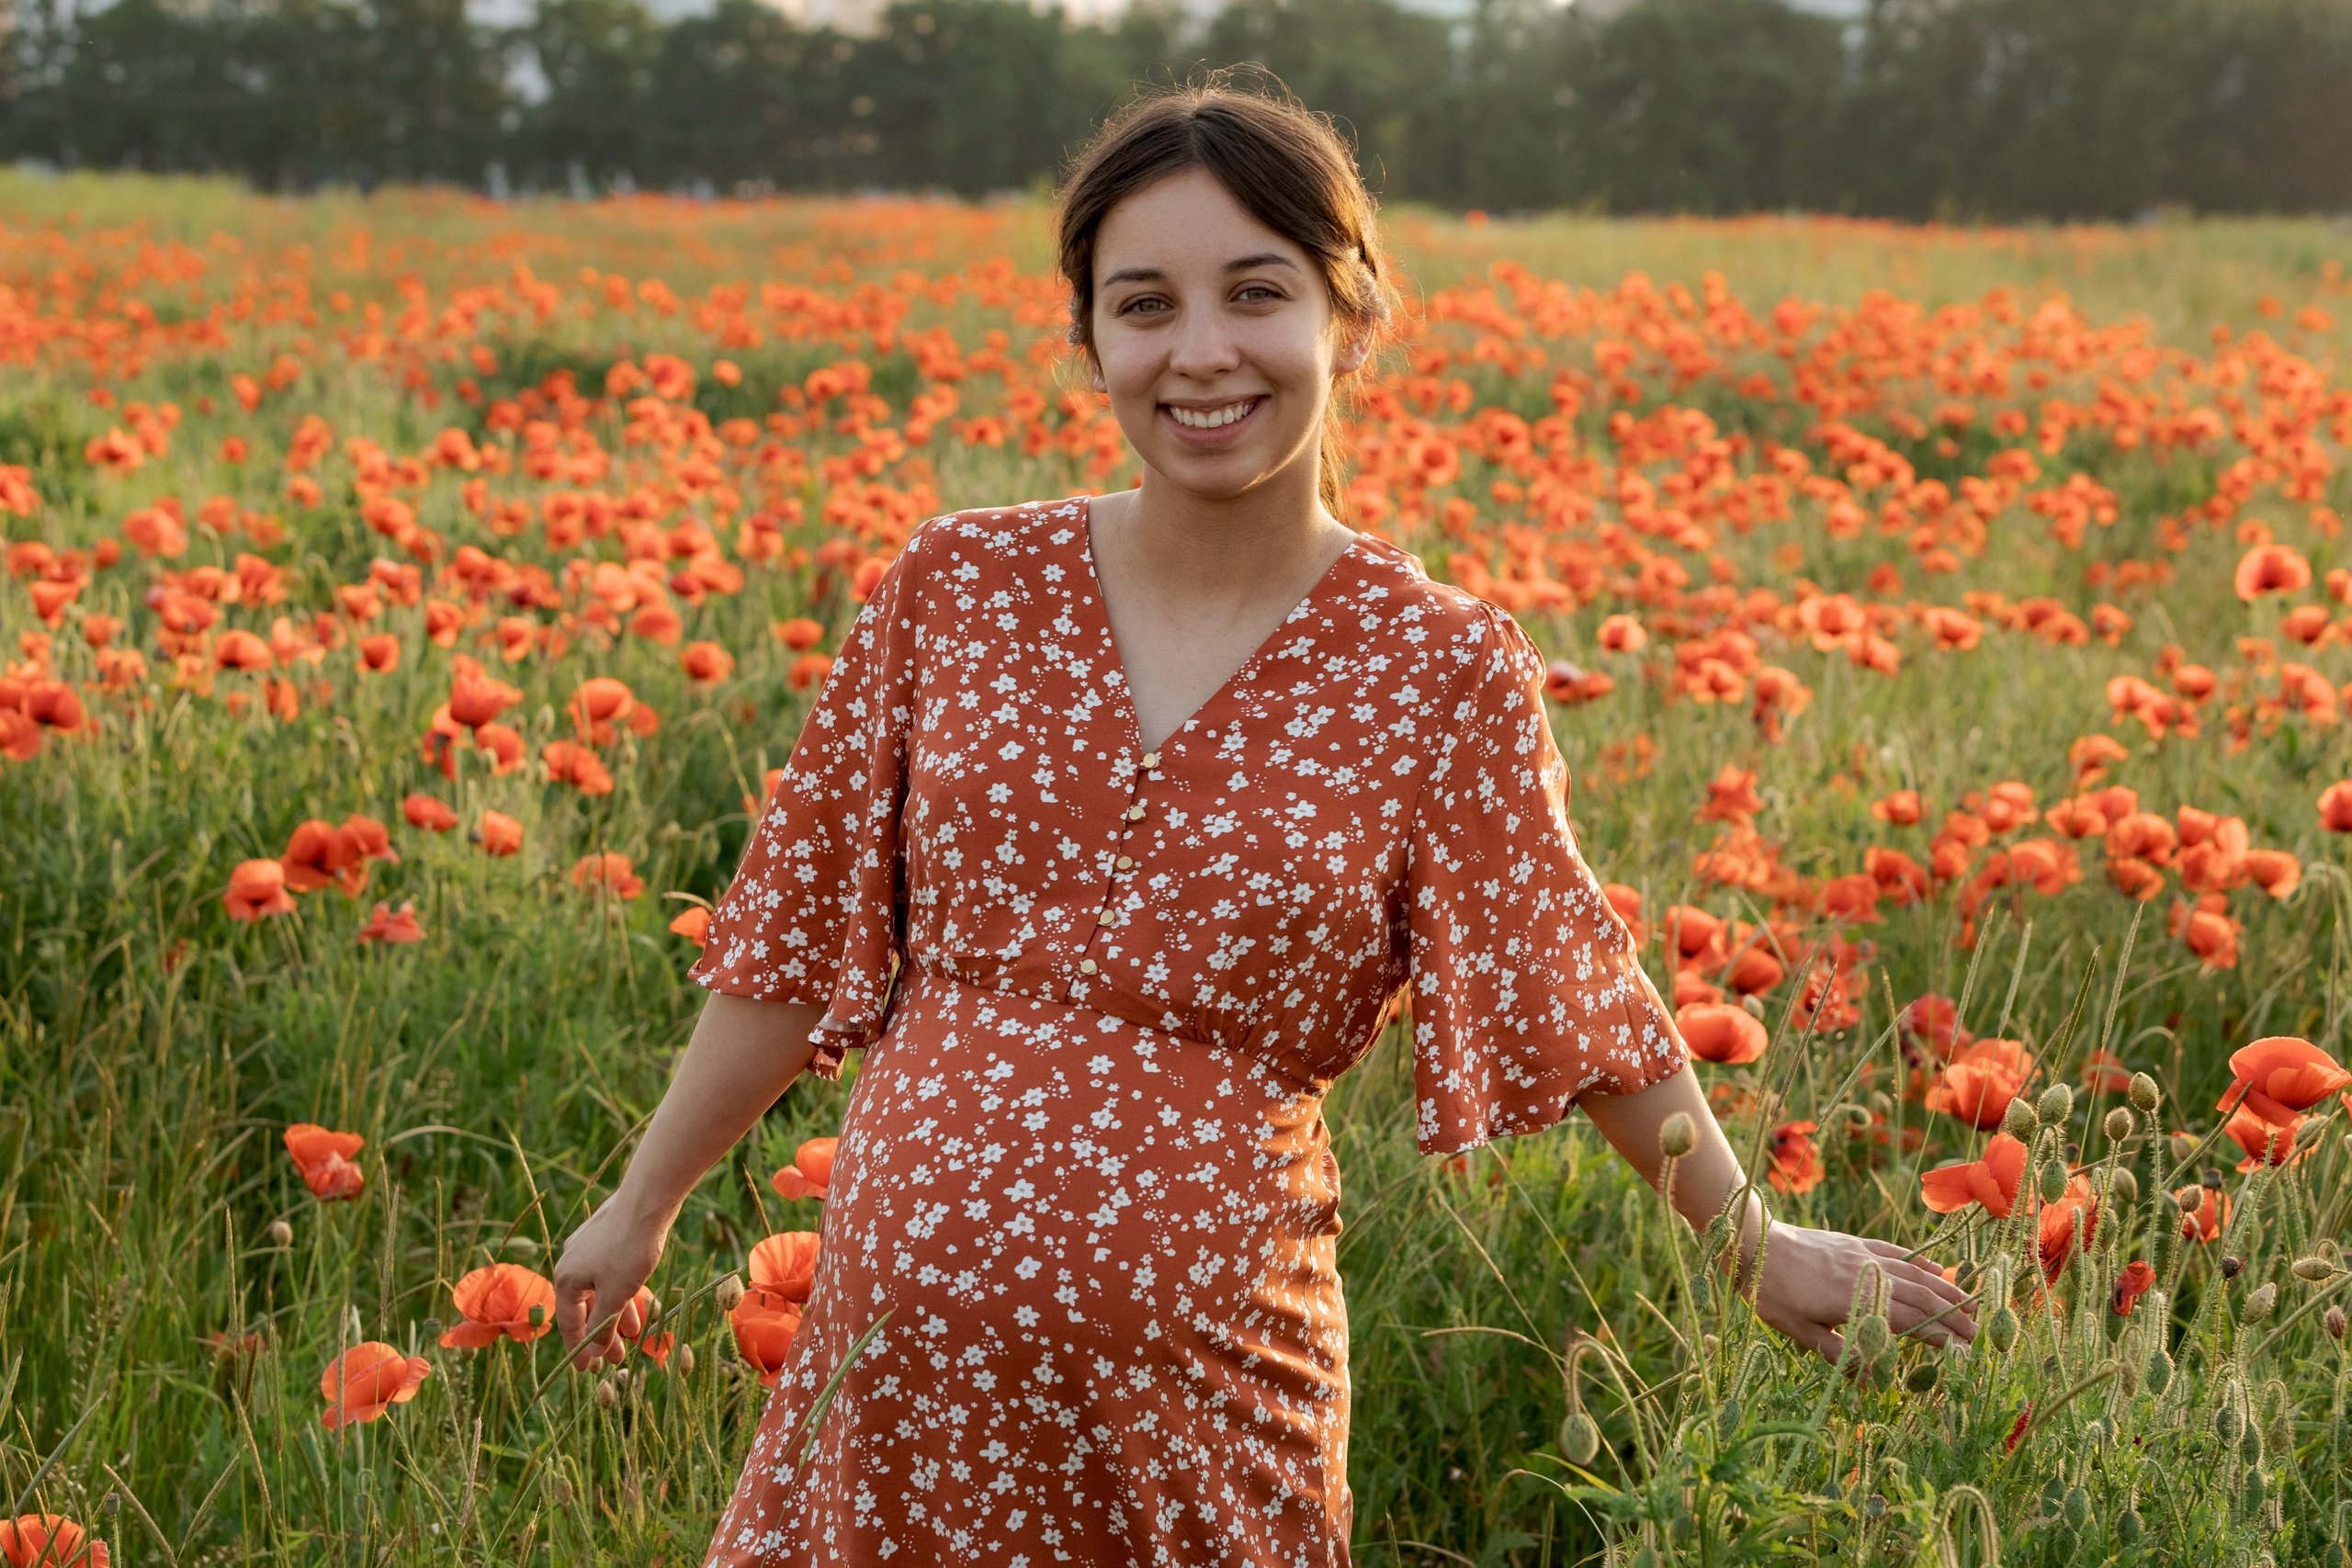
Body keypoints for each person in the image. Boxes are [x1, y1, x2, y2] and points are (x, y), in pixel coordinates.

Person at [553, 77, 1975, 1567]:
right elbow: (789, 933)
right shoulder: (957, 588)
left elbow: (1577, 995)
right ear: (1090, 338)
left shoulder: (1437, 666)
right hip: (895, 1397)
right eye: (1145, 304)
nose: (1201, 353)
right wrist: (642, 1203)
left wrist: (1755, 1247)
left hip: (1208, 1396)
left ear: (1348, 317)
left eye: (1255, 293)